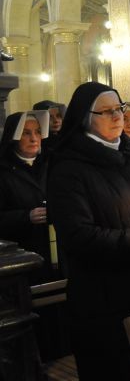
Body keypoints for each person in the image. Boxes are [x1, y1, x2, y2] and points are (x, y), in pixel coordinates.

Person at [47, 82, 130, 380]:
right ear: (85, 118)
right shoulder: (69, 169)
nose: (117, 116)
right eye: (106, 111)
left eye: (119, 109)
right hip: (104, 302)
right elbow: (81, 237)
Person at [0, 110, 54, 282]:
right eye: (26, 133)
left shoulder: (52, 164)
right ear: (13, 137)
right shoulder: (3, 172)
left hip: (57, 252)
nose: (34, 138)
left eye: (38, 132)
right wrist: (26, 216)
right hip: (24, 255)